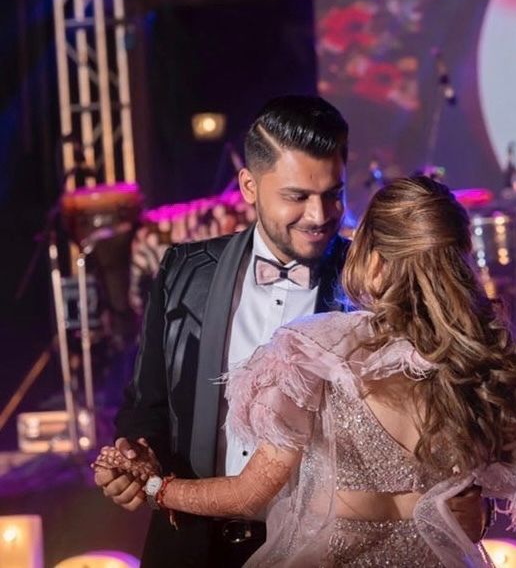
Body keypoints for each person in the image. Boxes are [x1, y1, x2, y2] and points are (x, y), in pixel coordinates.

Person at [94, 176, 516, 567]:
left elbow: (248, 495)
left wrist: (157, 487)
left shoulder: (319, 353)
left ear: (376, 260)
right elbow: (475, 499)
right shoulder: (484, 366)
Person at [94, 99, 486, 567]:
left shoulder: (374, 280)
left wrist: (471, 505)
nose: (320, 215)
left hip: (325, 553)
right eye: (297, 196)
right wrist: (138, 456)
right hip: (192, 546)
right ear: (249, 186)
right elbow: (147, 404)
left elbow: (446, 415)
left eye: (333, 194)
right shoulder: (185, 270)